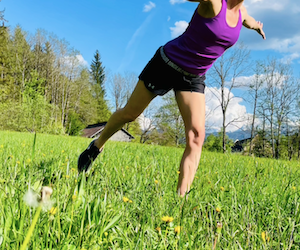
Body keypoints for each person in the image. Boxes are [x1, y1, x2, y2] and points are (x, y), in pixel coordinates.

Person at [78, 0, 266, 197]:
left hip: (193, 77)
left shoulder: (242, 13)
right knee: (130, 114)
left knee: (196, 137)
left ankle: (180, 202)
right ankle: (96, 146)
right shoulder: (214, 3)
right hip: (167, 64)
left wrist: (257, 27)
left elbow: (249, 21)